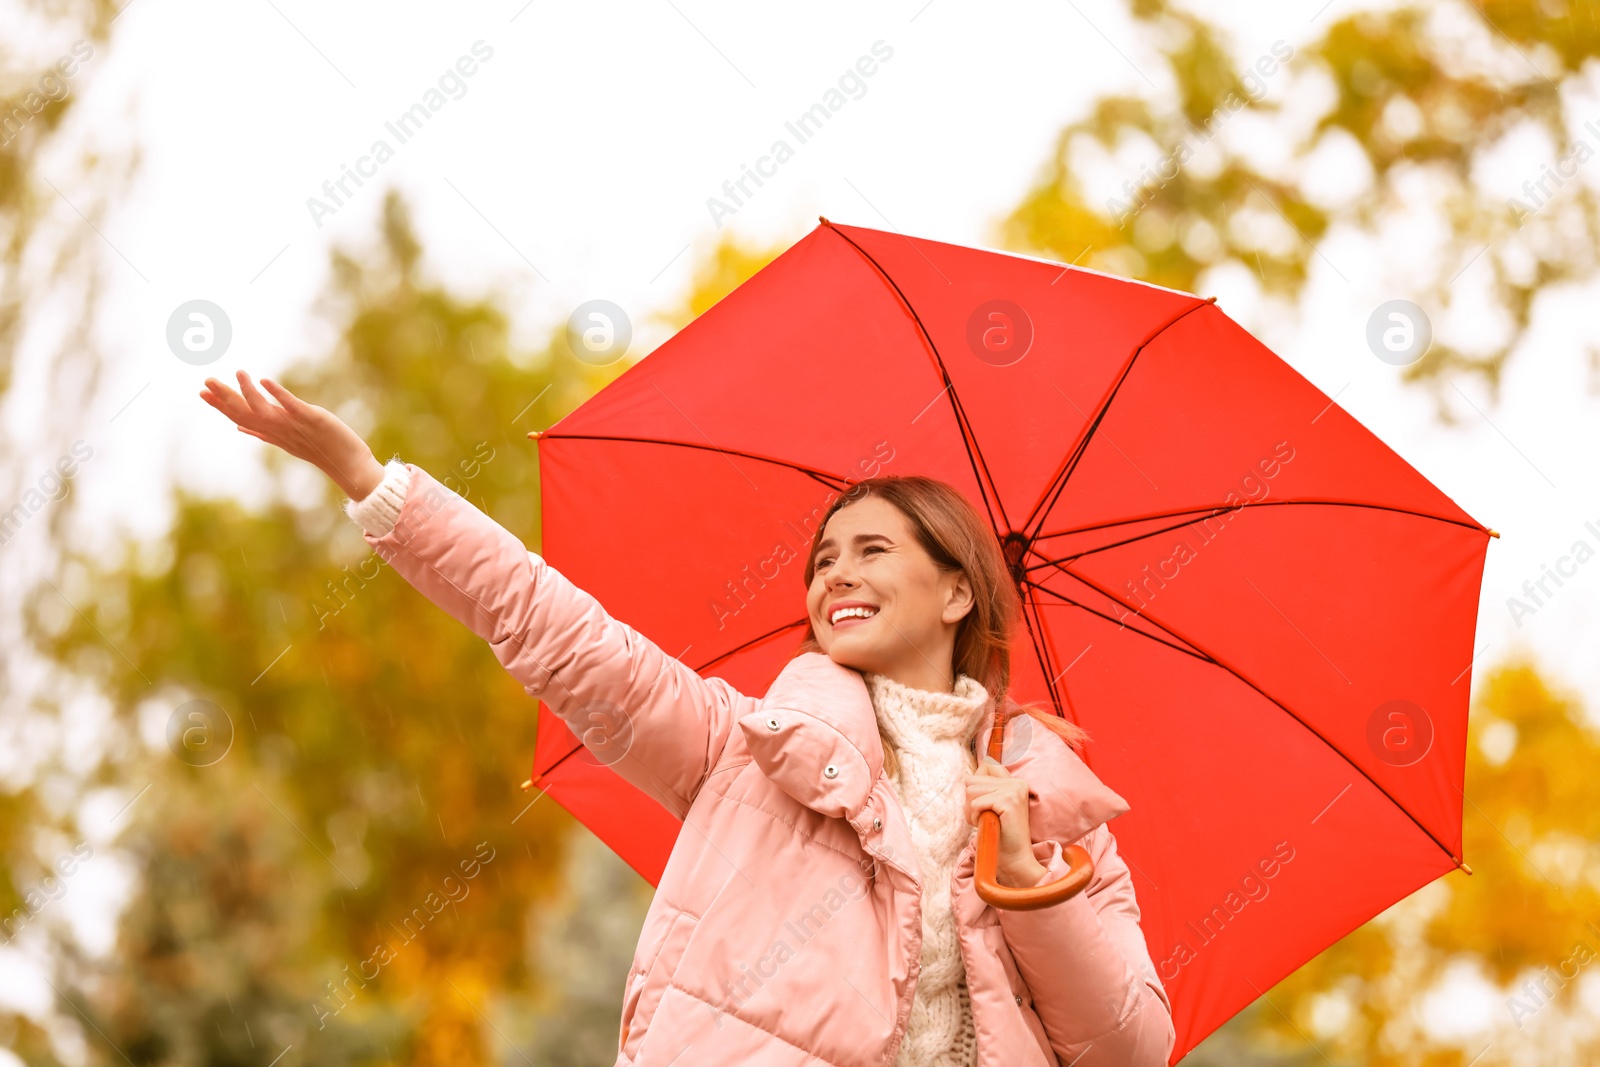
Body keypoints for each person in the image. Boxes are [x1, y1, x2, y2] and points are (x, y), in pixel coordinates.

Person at [201, 370, 1176, 1067]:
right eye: (824, 557)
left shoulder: (1055, 821)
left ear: (957, 591)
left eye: (873, 549)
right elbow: (557, 628)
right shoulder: (745, 749)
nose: (836, 573)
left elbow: (1130, 1045)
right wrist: (377, 487)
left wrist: (1028, 885)